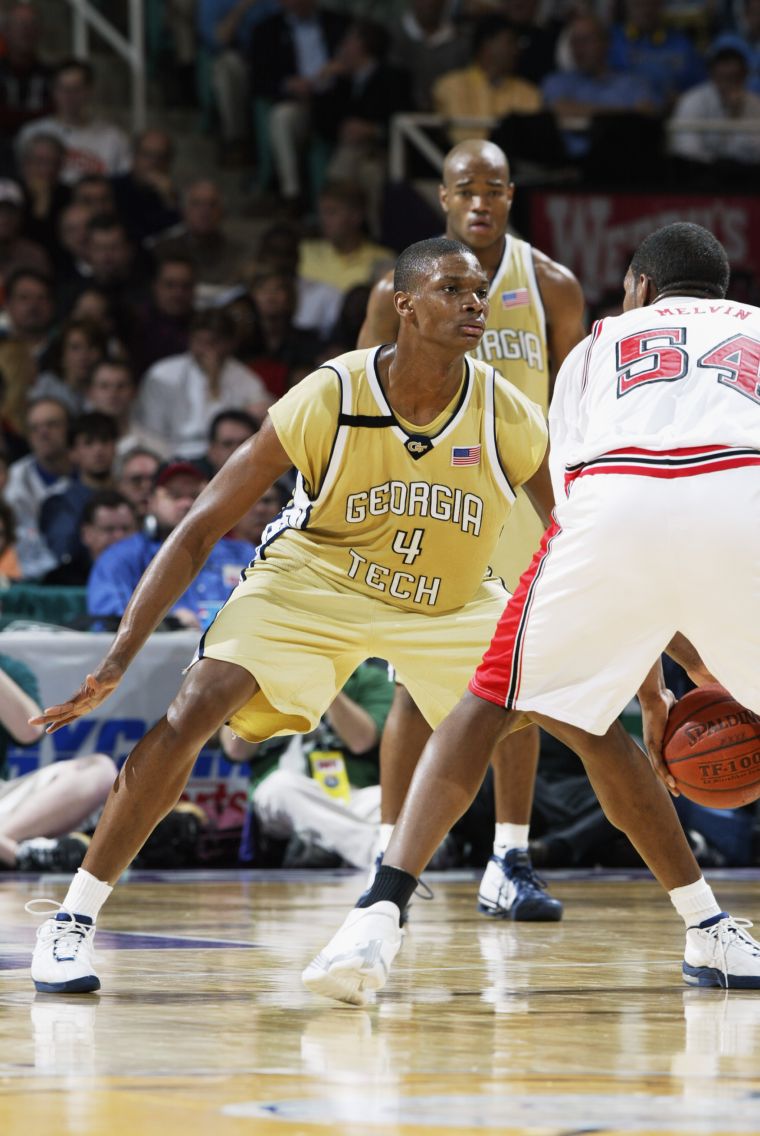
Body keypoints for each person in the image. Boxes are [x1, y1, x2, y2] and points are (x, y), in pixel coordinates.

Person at [25, 236, 554, 993]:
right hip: (316, 578)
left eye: (480, 292)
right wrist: (118, 658)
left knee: (564, 714)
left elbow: (571, 530)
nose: (475, 303)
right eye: (453, 290)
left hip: (447, 595)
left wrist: (650, 684)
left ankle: (669, 911)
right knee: (199, 700)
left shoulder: (505, 409)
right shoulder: (332, 393)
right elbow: (202, 525)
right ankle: (74, 917)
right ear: (404, 306)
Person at [304, 222, 760, 1004]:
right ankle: (710, 931)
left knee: (487, 703)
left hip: (616, 506)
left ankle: (375, 918)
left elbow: (591, 503)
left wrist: (651, 688)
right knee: (579, 720)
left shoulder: (596, 345)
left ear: (641, 289)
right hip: (745, 502)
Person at [358, 137, 586, 921]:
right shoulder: (400, 289)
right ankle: (388, 857)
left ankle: (508, 859)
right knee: (412, 686)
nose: (481, 201)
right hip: (434, 501)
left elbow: (577, 404)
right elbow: (360, 395)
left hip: (523, 500)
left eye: (494, 188)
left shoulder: (551, 284)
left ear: (511, 196)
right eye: (466, 188)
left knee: (520, 682)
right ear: (445, 198)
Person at [221, 662, 393, 868]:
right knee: (280, 786)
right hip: (285, 799)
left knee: (388, 800)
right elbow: (236, 750)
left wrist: (326, 684)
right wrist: (257, 686)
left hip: (351, 796)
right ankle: (382, 859)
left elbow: (361, 741)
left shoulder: (370, 679)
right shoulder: (262, 679)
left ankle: (328, 845)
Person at [86, 458, 255, 632]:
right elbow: (108, 620)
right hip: (158, 649)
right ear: (151, 502)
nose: (187, 503)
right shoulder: (119, 558)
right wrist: (168, 621)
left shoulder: (243, 554)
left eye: (196, 495)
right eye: (174, 495)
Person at [0, 653, 116, 872]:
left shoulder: (9, 668)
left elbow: (28, 731)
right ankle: (17, 855)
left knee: (98, 769)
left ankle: (8, 848)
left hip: (3, 803)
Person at [134, 309, 271, 460]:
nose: (206, 350)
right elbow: (151, 430)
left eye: (213, 342)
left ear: (229, 343)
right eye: (200, 342)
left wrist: (214, 385)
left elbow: (246, 429)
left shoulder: (247, 380)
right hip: (171, 455)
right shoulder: (162, 374)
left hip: (225, 459)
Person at [17, 59, 131, 186]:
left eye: (76, 89)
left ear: (89, 91)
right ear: (53, 91)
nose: (69, 96)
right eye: (63, 88)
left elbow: (122, 181)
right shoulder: (32, 132)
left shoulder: (113, 137)